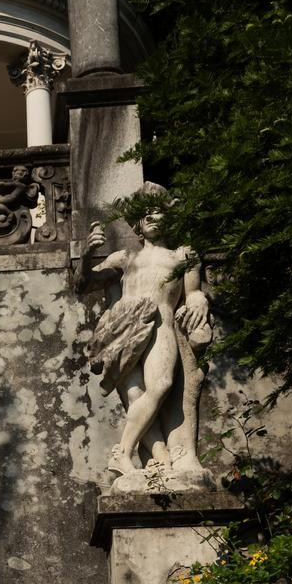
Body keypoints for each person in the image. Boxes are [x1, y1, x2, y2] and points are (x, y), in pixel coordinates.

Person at [80, 181, 212, 490]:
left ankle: (122, 453)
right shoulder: (126, 258)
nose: (152, 218)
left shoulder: (184, 256)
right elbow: (85, 284)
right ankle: (159, 462)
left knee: (162, 384)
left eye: (158, 212)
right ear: (138, 224)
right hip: (122, 326)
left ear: (169, 216)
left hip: (160, 323)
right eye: (146, 214)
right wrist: (87, 256)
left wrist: (200, 301)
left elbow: (193, 293)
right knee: (135, 395)